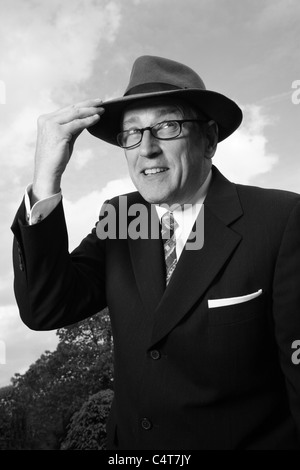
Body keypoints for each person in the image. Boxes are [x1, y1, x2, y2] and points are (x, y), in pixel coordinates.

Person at [11, 55, 300, 450]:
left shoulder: (282, 220)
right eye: (131, 133)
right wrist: (46, 179)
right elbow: (46, 307)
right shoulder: (122, 216)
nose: (146, 149)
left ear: (209, 139)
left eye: (167, 126)